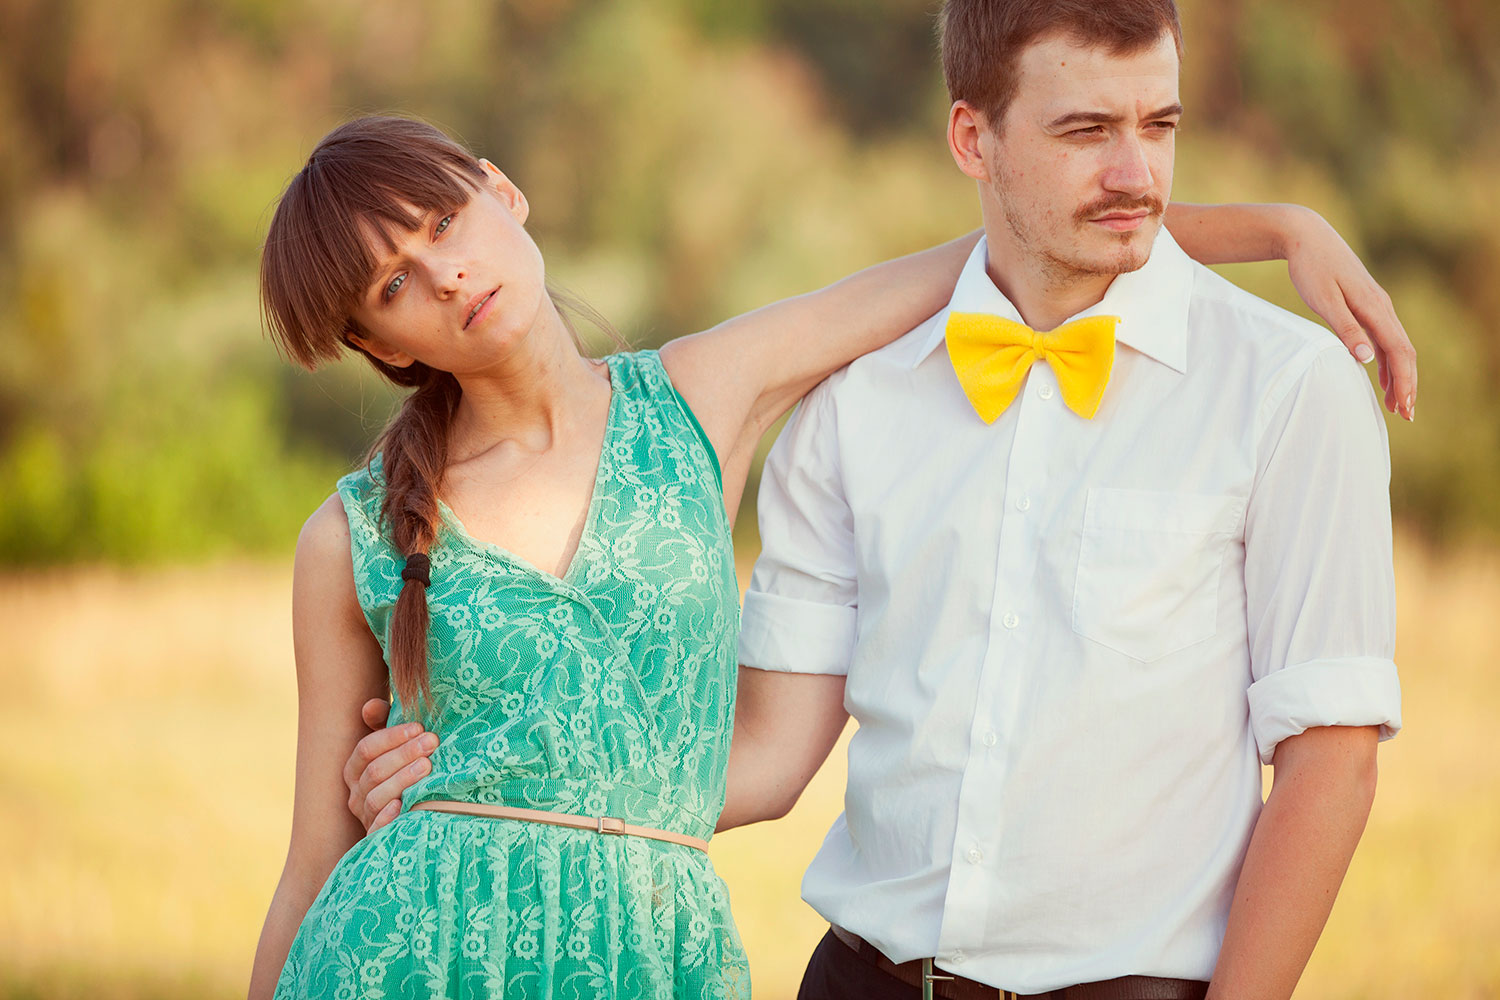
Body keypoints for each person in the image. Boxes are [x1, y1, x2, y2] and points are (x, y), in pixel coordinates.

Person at [285, 95, 1412, 1000]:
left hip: (649, 950)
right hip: (407, 951)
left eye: (443, 224)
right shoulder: (348, 536)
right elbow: (309, 863)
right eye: (395, 284)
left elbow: (1008, 248)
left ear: (500, 191)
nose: (447, 274)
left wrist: (1280, 230)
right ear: (379, 344)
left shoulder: (701, 394)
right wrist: (455, 797)